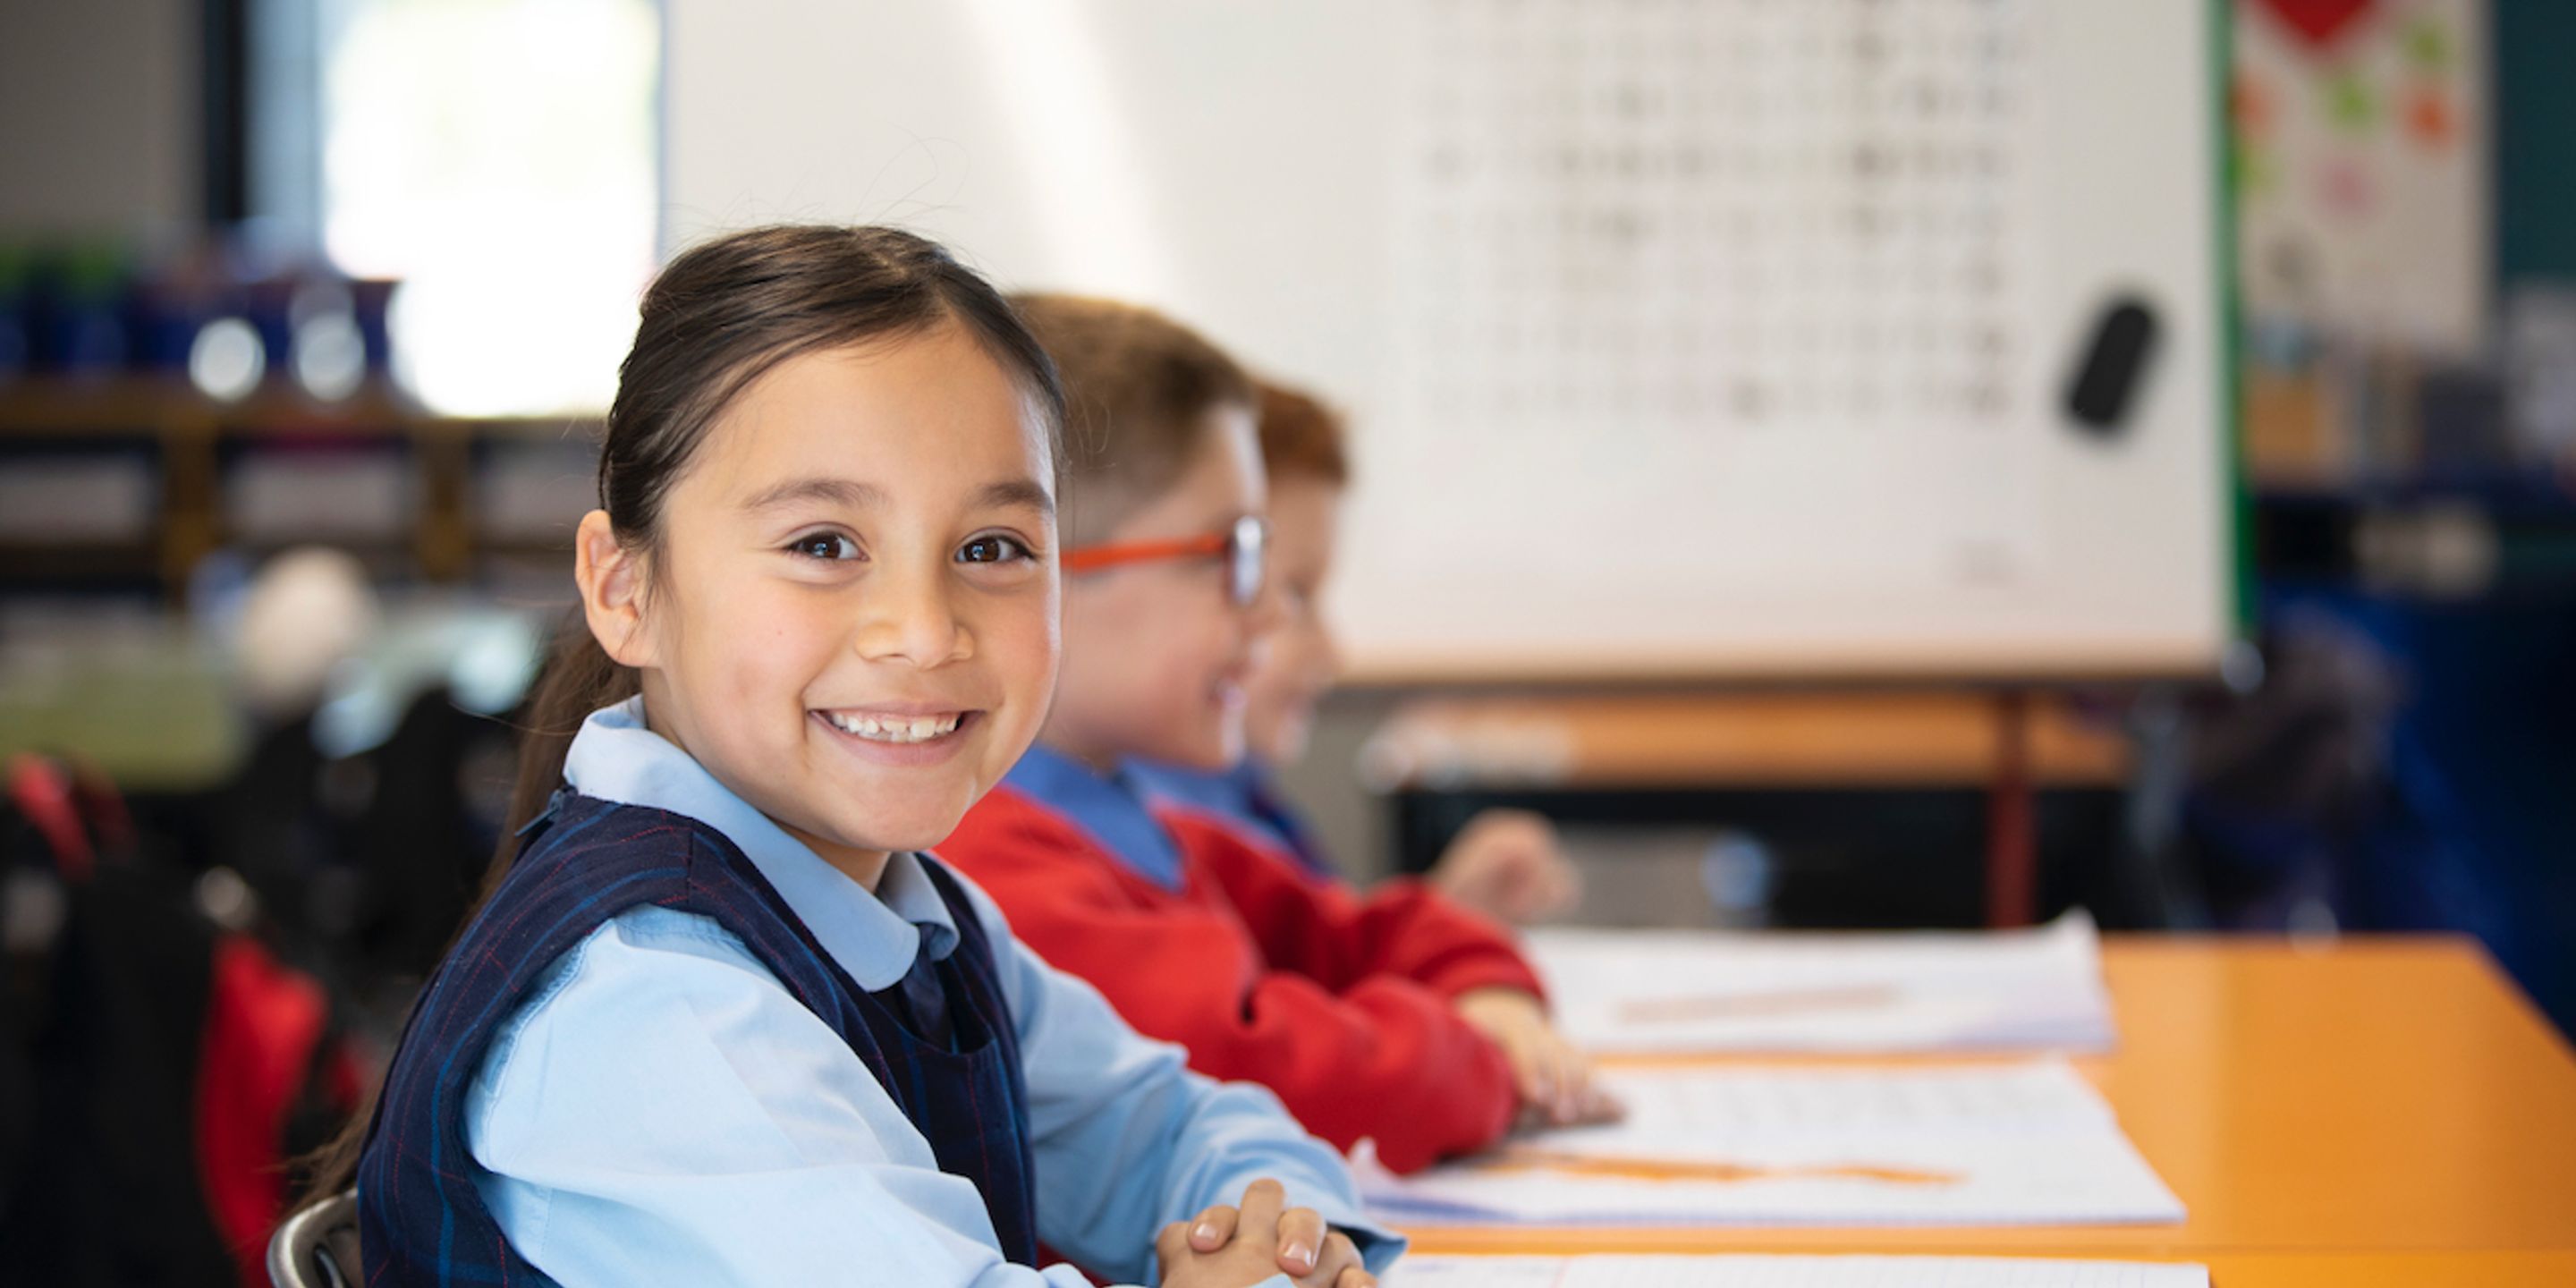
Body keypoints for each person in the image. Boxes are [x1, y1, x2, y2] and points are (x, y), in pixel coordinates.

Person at [293, 227, 1392, 1288]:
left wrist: (1278, 1244)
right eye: (823, 545)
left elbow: (1185, 1130)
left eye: (992, 548)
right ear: (626, 591)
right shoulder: (650, 1008)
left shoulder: (918, 919)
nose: (923, 630)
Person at [940, 296, 1618, 1179]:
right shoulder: (994, 877)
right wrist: (1489, 1059)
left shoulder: (1158, 837)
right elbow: (1277, 1081)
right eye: (1233, 557)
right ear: (1038, 567)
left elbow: (1374, 933)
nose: (1269, 613)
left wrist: (1490, 992)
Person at [1133, 381, 1580, 926]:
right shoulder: (1161, 831)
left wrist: (1449, 917)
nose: (1332, 651)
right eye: (1294, 591)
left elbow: (1322, 968)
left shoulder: (1238, 795)